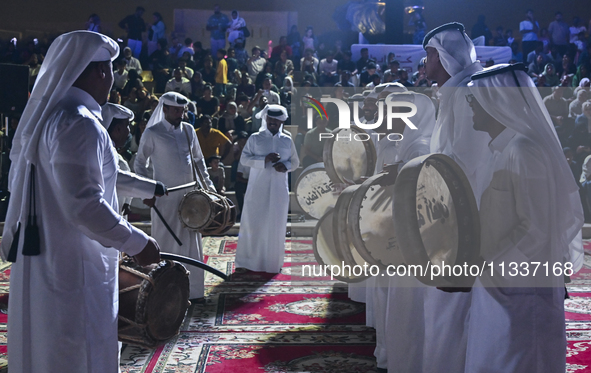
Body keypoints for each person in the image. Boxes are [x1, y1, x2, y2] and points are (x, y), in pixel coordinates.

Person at [1, 30, 161, 372]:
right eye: (110, 70)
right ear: (100, 72)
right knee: (77, 345)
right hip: (74, 262)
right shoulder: (80, 123)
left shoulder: (51, 117)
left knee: (50, 341)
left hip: (50, 256)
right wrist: (137, 241)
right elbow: (84, 206)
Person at [465, 62, 584, 373]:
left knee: (524, 359)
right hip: (497, 280)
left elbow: (537, 228)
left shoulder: (524, 150)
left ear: (497, 101)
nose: (470, 108)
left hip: (522, 283)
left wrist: (491, 265)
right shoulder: (498, 149)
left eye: (474, 100)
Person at [422, 22, 491, 373]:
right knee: (440, 306)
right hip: (445, 212)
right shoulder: (453, 93)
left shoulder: (466, 96)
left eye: (430, 54)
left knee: (449, 306)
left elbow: (464, 163)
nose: (425, 63)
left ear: (445, 57)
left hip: (461, 216)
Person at [135, 92, 214, 300]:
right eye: (176, 110)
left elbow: (199, 161)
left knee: (191, 243)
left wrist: (210, 189)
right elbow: (139, 163)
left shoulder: (188, 131)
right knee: (168, 243)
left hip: (191, 198)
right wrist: (146, 191)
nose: (180, 114)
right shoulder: (153, 132)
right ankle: (167, 292)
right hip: (165, 199)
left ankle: (194, 292)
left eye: (182, 110)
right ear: (166, 109)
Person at [235, 105, 299, 273]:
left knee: (276, 225)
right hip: (258, 189)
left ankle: (272, 263)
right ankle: (249, 263)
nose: (272, 122)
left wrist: (285, 166)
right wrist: (264, 160)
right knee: (255, 224)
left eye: (276, 120)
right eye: (270, 119)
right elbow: (244, 159)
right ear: (266, 119)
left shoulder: (287, 140)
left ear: (281, 122)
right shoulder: (255, 138)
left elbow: (295, 162)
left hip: (278, 189)